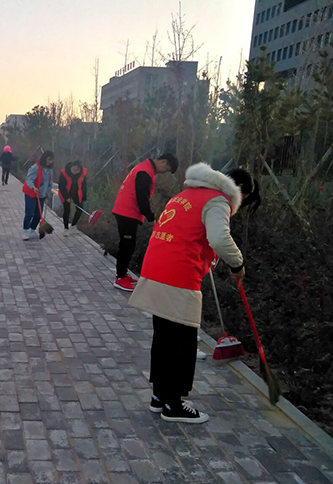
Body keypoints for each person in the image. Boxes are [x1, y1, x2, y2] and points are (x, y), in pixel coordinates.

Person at [129, 164, 259, 424]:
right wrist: (238, 264)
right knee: (183, 340)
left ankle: (160, 396)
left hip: (155, 268)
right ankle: (174, 404)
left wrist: (207, 259)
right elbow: (219, 239)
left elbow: (187, 234)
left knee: (164, 338)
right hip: (178, 275)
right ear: (239, 191)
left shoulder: (185, 194)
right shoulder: (218, 200)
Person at [111, 153, 179, 292]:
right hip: (127, 212)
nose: (164, 172)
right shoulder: (145, 172)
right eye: (166, 170)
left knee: (129, 245)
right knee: (126, 246)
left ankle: (123, 273)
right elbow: (142, 198)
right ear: (164, 162)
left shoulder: (144, 168)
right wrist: (150, 217)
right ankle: (120, 278)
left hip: (126, 212)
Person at [22, 150, 55, 240]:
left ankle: (32, 230)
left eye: (51, 160)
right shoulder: (35, 168)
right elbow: (29, 179)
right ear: (45, 158)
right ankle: (25, 231)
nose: (50, 162)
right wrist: (33, 187)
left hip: (42, 195)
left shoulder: (50, 170)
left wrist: (48, 193)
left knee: (38, 214)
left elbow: (50, 183)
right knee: (29, 213)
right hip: (32, 193)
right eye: (49, 159)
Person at [59, 161, 87, 237]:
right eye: (73, 169)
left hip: (77, 193)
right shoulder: (64, 173)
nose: (74, 172)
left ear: (80, 170)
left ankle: (73, 226)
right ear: (71, 167)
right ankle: (66, 228)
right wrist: (66, 197)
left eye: (77, 170)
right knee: (67, 210)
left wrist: (84, 195)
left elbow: (84, 184)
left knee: (80, 209)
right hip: (66, 192)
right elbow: (61, 186)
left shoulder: (83, 173)